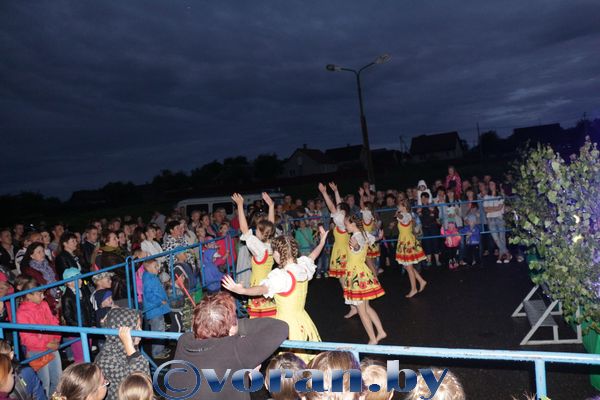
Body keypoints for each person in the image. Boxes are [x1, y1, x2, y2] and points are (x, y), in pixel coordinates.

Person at [223, 228, 328, 361]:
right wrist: (321, 242)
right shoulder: (302, 266)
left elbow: (262, 289)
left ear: (278, 253)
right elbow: (312, 256)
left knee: (291, 360)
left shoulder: (282, 276)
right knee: (306, 357)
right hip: (303, 319)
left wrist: (243, 291)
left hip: (286, 324)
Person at [169, 292, 288, 400]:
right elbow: (280, 327)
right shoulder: (234, 349)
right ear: (230, 326)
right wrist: (236, 326)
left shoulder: (184, 341)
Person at [231, 192, 277, 319]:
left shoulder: (259, 249)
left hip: (258, 286)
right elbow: (270, 227)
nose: (254, 231)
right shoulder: (270, 244)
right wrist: (271, 206)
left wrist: (240, 205)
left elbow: (244, 229)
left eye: (257, 230)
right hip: (268, 284)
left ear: (262, 233)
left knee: (259, 321)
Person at [343, 214, 386, 344]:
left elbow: (358, 247)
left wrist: (356, 246)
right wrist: (379, 237)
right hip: (361, 273)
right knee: (367, 308)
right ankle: (381, 332)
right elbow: (373, 239)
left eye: (346, 224)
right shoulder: (365, 234)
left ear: (353, 224)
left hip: (357, 276)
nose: (345, 227)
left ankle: (373, 339)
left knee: (362, 311)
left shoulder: (356, 238)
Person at [16, 280, 62, 397]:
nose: (43, 296)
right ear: (28, 295)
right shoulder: (22, 312)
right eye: (39, 294)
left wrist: (57, 338)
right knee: (43, 383)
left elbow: (53, 321)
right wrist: (47, 344)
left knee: (58, 379)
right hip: (37, 351)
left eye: (43, 293)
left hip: (51, 346)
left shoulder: (44, 304)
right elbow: (27, 338)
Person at [94, 309, 149, 400]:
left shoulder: (121, 348)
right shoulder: (107, 360)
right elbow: (142, 383)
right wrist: (128, 345)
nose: (141, 331)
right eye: (137, 327)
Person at [142, 259, 175, 359]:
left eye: (158, 266)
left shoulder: (152, 277)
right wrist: (160, 301)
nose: (158, 268)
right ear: (148, 268)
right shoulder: (149, 279)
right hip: (155, 310)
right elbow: (149, 296)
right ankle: (157, 352)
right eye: (155, 266)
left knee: (161, 329)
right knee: (158, 331)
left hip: (158, 309)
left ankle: (161, 348)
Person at [395, 199, 428, 297]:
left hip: (407, 242)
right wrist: (398, 214)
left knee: (408, 267)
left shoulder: (407, 215)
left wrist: (398, 214)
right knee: (407, 266)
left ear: (404, 207)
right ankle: (421, 281)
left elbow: (403, 218)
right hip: (404, 241)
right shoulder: (406, 215)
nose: (398, 207)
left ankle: (414, 289)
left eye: (399, 206)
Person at [61, 268, 94, 363]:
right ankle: (81, 371)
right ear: (69, 282)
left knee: (87, 351)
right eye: (78, 279)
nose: (81, 281)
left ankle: (88, 369)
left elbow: (90, 308)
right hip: (77, 331)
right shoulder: (67, 297)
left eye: (80, 278)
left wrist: (93, 323)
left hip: (87, 327)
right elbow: (68, 317)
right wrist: (80, 328)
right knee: (80, 355)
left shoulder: (83, 291)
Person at [20, 242, 60, 315]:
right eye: (39, 252)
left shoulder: (49, 265)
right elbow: (36, 287)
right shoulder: (30, 271)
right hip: (44, 297)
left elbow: (57, 278)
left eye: (43, 251)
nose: (42, 254)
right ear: (32, 256)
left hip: (57, 293)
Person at [484, 181, 511, 263]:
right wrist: (495, 208)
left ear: (496, 185)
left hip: (499, 218)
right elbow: (485, 209)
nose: (491, 185)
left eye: (492, 184)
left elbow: (500, 207)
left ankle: (501, 255)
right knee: (495, 238)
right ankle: (507, 253)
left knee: (502, 237)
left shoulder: (500, 196)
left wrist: (491, 209)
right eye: (490, 184)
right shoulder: (486, 196)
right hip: (490, 219)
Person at [417, 193, 442, 267]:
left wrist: (433, 211)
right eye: (422, 198)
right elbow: (421, 219)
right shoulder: (419, 207)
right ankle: (429, 261)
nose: (424, 199)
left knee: (435, 243)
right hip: (425, 228)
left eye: (425, 198)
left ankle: (437, 260)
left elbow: (436, 216)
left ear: (428, 198)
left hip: (433, 227)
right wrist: (419, 212)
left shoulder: (432, 205)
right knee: (427, 244)